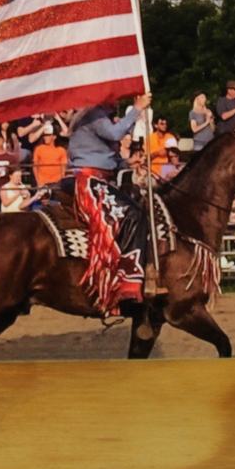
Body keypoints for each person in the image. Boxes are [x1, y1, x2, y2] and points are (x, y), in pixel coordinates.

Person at [68, 93, 153, 311]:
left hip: (98, 177)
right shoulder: (94, 115)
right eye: (114, 98)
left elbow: (104, 152)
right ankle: (128, 280)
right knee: (133, 215)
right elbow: (115, 133)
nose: (116, 103)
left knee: (132, 210)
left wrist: (127, 161)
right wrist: (137, 108)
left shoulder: (90, 116)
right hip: (91, 181)